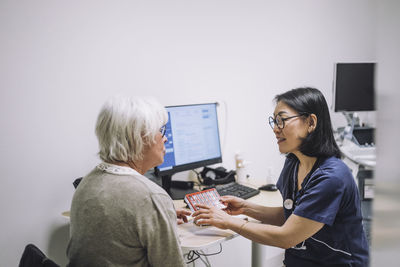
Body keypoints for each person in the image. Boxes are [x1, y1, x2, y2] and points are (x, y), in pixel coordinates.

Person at [193, 87, 369, 266]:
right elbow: (294, 215)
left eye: (282, 120)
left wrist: (229, 222)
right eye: (274, 122)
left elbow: (287, 237)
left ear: (310, 122)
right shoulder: (293, 163)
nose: (276, 129)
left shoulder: (331, 178)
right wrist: (246, 208)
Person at [67, 96, 190, 267]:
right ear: (139, 138)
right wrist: (158, 211)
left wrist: (159, 217)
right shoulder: (150, 196)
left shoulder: (87, 182)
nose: (166, 139)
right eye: (161, 131)